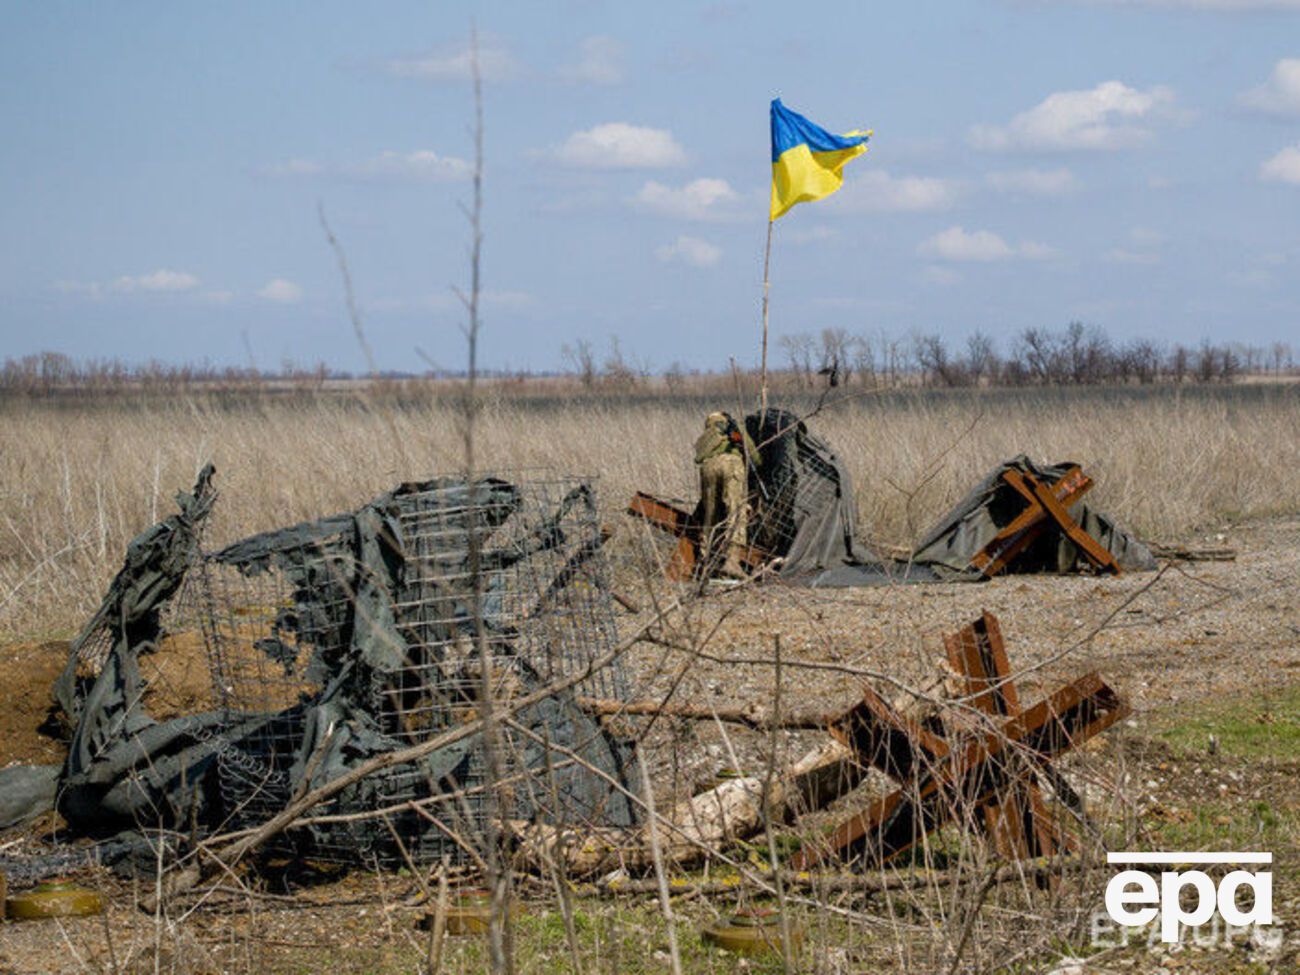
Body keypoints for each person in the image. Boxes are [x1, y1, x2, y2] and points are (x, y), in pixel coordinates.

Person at [693, 411, 760, 578]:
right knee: (736, 512)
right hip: (731, 464)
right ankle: (732, 562)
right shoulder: (734, 426)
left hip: (708, 467)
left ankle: (706, 562)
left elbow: (699, 458)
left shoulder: (706, 437)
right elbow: (754, 456)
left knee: (710, 516)